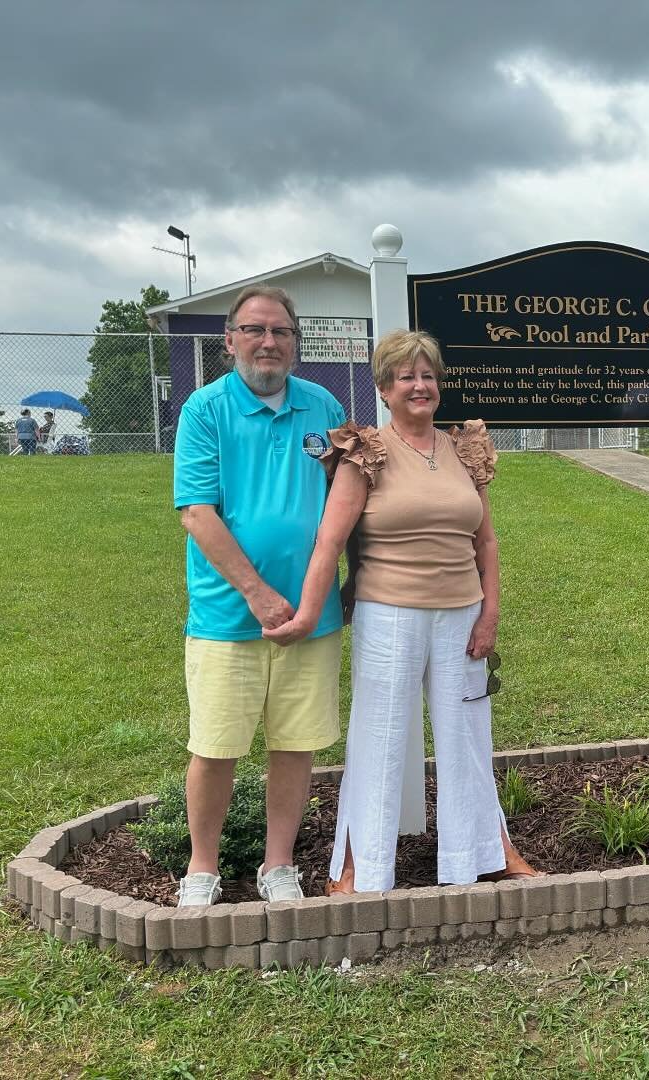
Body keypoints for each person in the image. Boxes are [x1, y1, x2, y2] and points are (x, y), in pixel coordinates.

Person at [266, 328, 536, 892]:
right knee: (381, 736)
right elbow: (329, 543)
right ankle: (361, 862)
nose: (420, 385)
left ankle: (486, 850)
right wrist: (309, 613)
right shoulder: (366, 452)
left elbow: (485, 541)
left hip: (462, 614)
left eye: (429, 375)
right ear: (385, 389)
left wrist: (490, 614)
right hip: (388, 613)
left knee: (466, 735)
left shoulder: (464, 448)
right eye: (407, 376)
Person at [171, 285, 347, 907]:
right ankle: (202, 868)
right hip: (228, 616)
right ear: (229, 342)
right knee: (216, 747)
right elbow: (197, 512)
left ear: (296, 344)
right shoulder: (205, 410)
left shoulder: (324, 406)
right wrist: (259, 595)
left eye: (280, 332)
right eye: (253, 330)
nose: (267, 342)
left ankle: (278, 866)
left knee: (294, 746)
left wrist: (336, 594)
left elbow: (346, 501)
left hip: (313, 617)